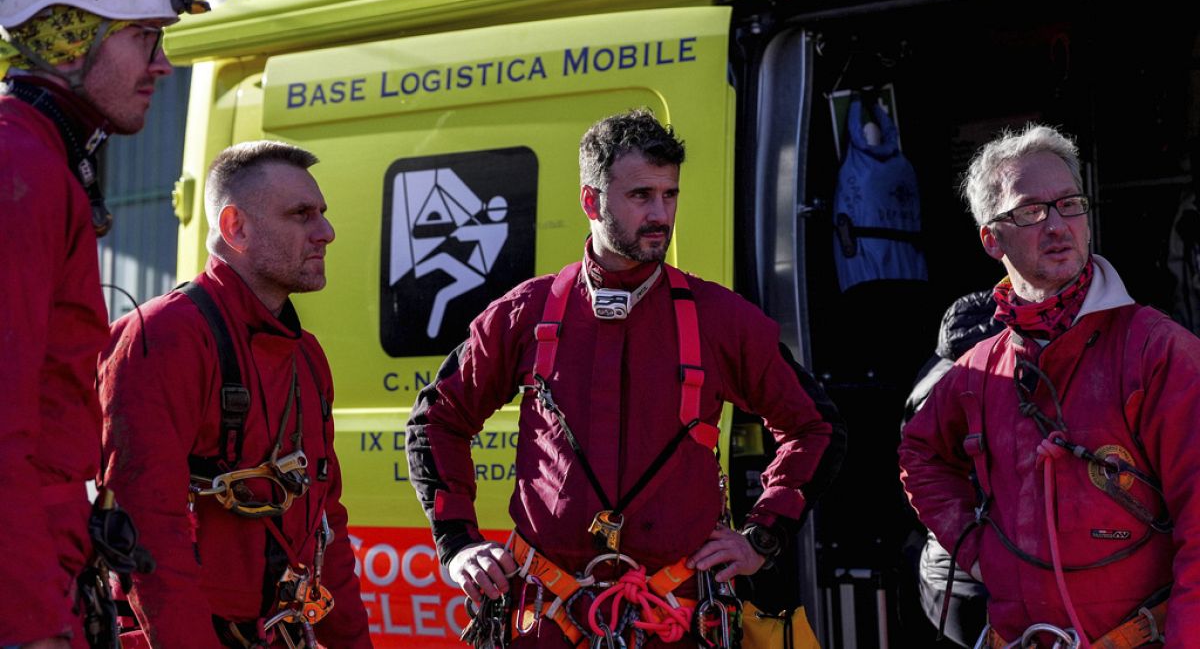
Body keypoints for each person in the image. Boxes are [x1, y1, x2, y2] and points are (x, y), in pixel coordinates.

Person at [406, 109, 846, 648]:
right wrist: (456, 544)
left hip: (677, 620)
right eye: (641, 195)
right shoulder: (526, 313)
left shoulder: (720, 318)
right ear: (591, 201)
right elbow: (436, 420)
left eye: (671, 194)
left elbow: (815, 427)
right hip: (546, 619)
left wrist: (762, 536)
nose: (661, 213)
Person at [899, 124, 1200, 647]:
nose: (1057, 225)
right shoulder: (977, 369)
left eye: (1070, 204)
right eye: (1031, 211)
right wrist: (978, 549)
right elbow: (919, 451)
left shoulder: (1159, 350)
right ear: (992, 239)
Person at [97, 141, 371, 647]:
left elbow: (325, 522)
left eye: (323, 215)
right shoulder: (165, 338)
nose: (326, 232)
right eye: (301, 214)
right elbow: (143, 533)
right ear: (235, 228)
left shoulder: (306, 357)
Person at [0, 0, 207, 647]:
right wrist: (33, 623)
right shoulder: (18, 170)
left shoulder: (38, 162)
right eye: (144, 35)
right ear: (68, 38)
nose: (162, 63)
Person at [900, 290, 1002, 647]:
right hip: (980, 580)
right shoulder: (990, 380)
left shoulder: (937, 370)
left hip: (944, 575)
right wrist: (976, 557)